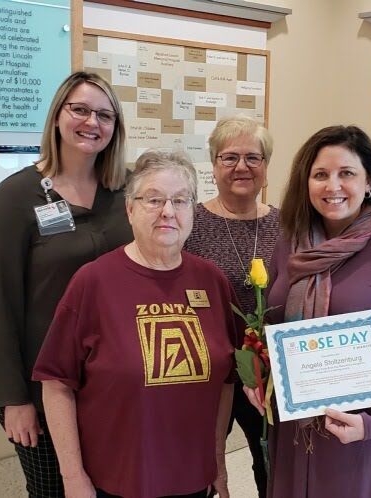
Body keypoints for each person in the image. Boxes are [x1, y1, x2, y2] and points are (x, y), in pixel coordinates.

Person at [248, 125, 371, 497]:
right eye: (320, 175)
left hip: (362, 434)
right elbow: (269, 323)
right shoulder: (289, 243)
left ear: (369, 182)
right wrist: (254, 371)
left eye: (346, 174)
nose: (332, 186)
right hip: (294, 430)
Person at [33, 150, 238, 498]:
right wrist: (73, 478)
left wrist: (217, 461)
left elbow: (225, 382)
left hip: (192, 478)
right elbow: (55, 383)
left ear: (193, 210)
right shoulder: (93, 282)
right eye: (153, 199)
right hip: (115, 481)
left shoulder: (212, 281)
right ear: (130, 209)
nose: (168, 212)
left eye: (180, 200)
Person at [0, 71, 132, 497]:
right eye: (80, 110)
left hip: (113, 381)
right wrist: (14, 399)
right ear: (58, 116)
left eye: (105, 115)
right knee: (52, 491)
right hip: (42, 385)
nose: (92, 122)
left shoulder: (126, 190)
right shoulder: (17, 195)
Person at [184, 115, 279, 498]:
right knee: (202, 466)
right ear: (214, 165)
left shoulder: (285, 225)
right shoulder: (190, 223)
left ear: (266, 166)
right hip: (206, 373)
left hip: (267, 374)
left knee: (270, 464)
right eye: (230, 157)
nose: (242, 167)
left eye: (253, 158)